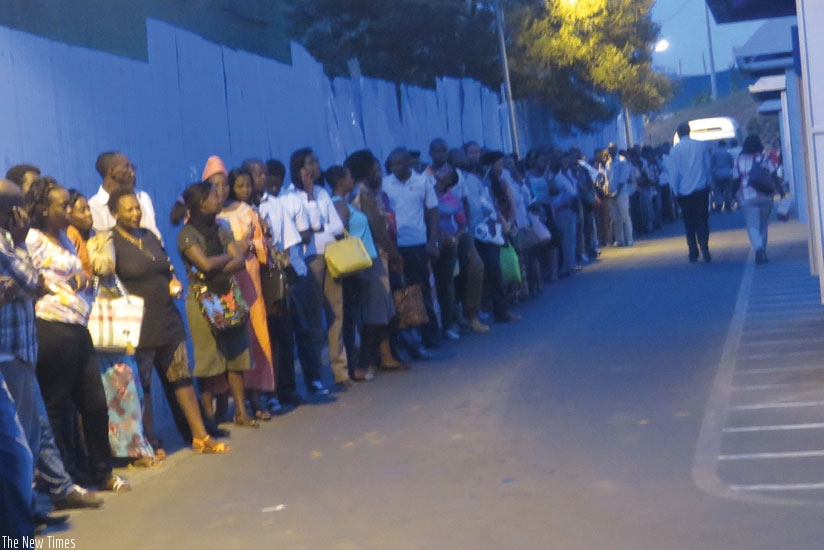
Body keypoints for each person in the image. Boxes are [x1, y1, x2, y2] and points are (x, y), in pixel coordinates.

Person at [24, 177, 130, 492]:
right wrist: (58, 285)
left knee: (95, 403)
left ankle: (102, 473)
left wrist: (78, 281)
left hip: (78, 324)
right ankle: (64, 480)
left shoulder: (67, 239)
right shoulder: (32, 239)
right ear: (43, 209)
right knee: (57, 407)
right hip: (51, 326)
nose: (69, 210)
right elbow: (28, 279)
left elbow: (81, 274)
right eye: (63, 205)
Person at [110, 187, 229, 453]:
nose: (135, 213)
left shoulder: (149, 236)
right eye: (128, 209)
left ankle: (200, 435)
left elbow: (167, 267)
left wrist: (173, 280)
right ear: (115, 213)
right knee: (144, 387)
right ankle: (148, 440)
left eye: (137, 208)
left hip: (167, 319)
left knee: (182, 379)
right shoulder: (111, 243)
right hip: (139, 326)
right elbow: (109, 281)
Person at [171, 180, 259, 428]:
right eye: (213, 195)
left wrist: (219, 261)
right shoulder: (186, 234)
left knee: (237, 354)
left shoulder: (221, 227)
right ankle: (207, 418)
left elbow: (238, 261)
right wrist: (227, 257)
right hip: (202, 298)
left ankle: (241, 412)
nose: (219, 197)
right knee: (208, 360)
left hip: (228, 293)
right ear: (201, 203)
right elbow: (205, 265)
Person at [282, 148, 345, 392]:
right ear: (300, 169)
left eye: (317, 161)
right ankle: (315, 375)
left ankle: (339, 369)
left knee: (336, 313)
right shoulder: (290, 198)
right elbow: (307, 230)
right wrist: (309, 199)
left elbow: (336, 227)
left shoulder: (322, 193)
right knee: (313, 319)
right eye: (311, 163)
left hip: (331, 256)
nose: (316, 166)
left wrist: (319, 229)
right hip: (310, 261)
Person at [217, 167, 276, 419]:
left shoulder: (248, 212)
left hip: (250, 282)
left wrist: (250, 244)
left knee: (256, 335)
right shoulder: (213, 217)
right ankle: (228, 403)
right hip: (225, 283)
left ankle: (257, 395)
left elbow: (265, 246)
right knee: (229, 339)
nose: (221, 190)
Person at [382, 147, 442, 349]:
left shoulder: (423, 181)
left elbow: (433, 213)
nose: (396, 167)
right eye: (392, 164)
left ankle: (430, 334)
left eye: (400, 163)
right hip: (395, 245)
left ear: (408, 163)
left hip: (416, 244)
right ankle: (408, 338)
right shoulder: (385, 184)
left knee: (422, 289)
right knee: (401, 293)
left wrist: (433, 241)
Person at [257, 159, 303, 406]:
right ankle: (266, 393)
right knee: (263, 340)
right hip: (251, 280)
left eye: (263, 173)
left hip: (275, 277)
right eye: (256, 173)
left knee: (283, 335)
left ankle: (286, 389)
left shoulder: (275, 205)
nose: (261, 178)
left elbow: (287, 243)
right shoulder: (234, 209)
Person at [88, 151, 161, 240]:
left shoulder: (142, 197)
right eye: (126, 167)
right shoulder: (94, 207)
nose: (132, 172)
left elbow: (154, 233)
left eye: (132, 167)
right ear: (112, 172)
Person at [733, 135, 781, 264]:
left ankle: (759, 249)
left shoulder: (738, 161)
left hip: (747, 196)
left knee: (753, 226)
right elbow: (774, 175)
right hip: (766, 196)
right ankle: (763, 253)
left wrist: (733, 195)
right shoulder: (764, 158)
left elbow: (736, 180)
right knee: (763, 225)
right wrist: (780, 192)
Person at [670, 122, 712, 263]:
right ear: (689, 131)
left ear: (678, 133)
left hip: (684, 192)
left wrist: (675, 191)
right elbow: (707, 167)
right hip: (701, 189)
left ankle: (693, 251)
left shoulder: (675, 150)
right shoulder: (701, 146)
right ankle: (704, 246)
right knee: (702, 220)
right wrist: (708, 183)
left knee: (689, 223)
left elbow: (674, 173)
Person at [606, 143, 634, 247]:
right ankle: (619, 239)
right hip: (611, 193)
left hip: (621, 192)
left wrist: (617, 190)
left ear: (616, 149)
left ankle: (629, 239)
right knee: (615, 217)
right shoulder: (608, 162)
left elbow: (623, 177)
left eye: (613, 149)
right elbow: (608, 177)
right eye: (609, 149)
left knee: (624, 215)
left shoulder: (622, 161)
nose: (611, 151)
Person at [711, 140, 735, 213]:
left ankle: (719, 206)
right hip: (727, 174)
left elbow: (712, 164)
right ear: (725, 145)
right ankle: (728, 206)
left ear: (719, 145)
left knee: (718, 191)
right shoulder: (728, 153)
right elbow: (732, 163)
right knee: (728, 190)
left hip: (718, 174)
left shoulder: (715, 153)